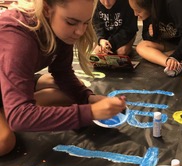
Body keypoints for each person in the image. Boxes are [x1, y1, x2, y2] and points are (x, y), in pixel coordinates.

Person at [0, 0, 127, 156]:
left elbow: (63, 73)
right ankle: (10, 109)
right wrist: (91, 112)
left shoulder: (58, 27)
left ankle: (10, 107)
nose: (80, 32)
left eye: (86, 23)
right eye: (71, 22)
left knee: (69, 95)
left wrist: (88, 98)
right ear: (47, 9)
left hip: (5, 79)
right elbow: (19, 118)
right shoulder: (18, 37)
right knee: (5, 142)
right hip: (5, 80)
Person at [128, 0, 182, 77]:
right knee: (141, 47)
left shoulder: (174, 4)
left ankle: (169, 57)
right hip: (171, 43)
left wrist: (176, 57)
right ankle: (172, 65)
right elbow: (145, 36)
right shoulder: (149, 10)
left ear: (149, 6)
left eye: (138, 11)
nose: (135, 14)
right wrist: (151, 34)